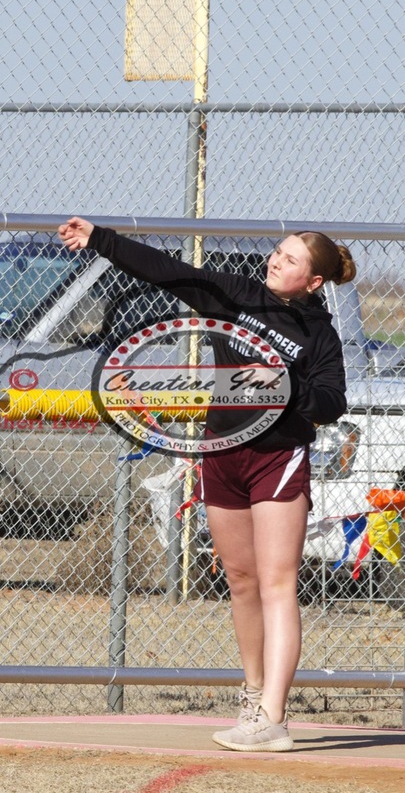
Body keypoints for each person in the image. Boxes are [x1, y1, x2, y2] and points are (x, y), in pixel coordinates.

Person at [58, 216, 356, 752]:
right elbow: (169, 272)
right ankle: (252, 694)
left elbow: (332, 401)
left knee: (276, 583)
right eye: (278, 251)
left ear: (314, 281)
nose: (276, 261)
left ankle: (273, 717)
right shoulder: (240, 296)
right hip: (222, 454)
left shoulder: (320, 335)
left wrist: (283, 385)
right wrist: (100, 239)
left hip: (276, 458)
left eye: (290, 260)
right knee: (240, 580)